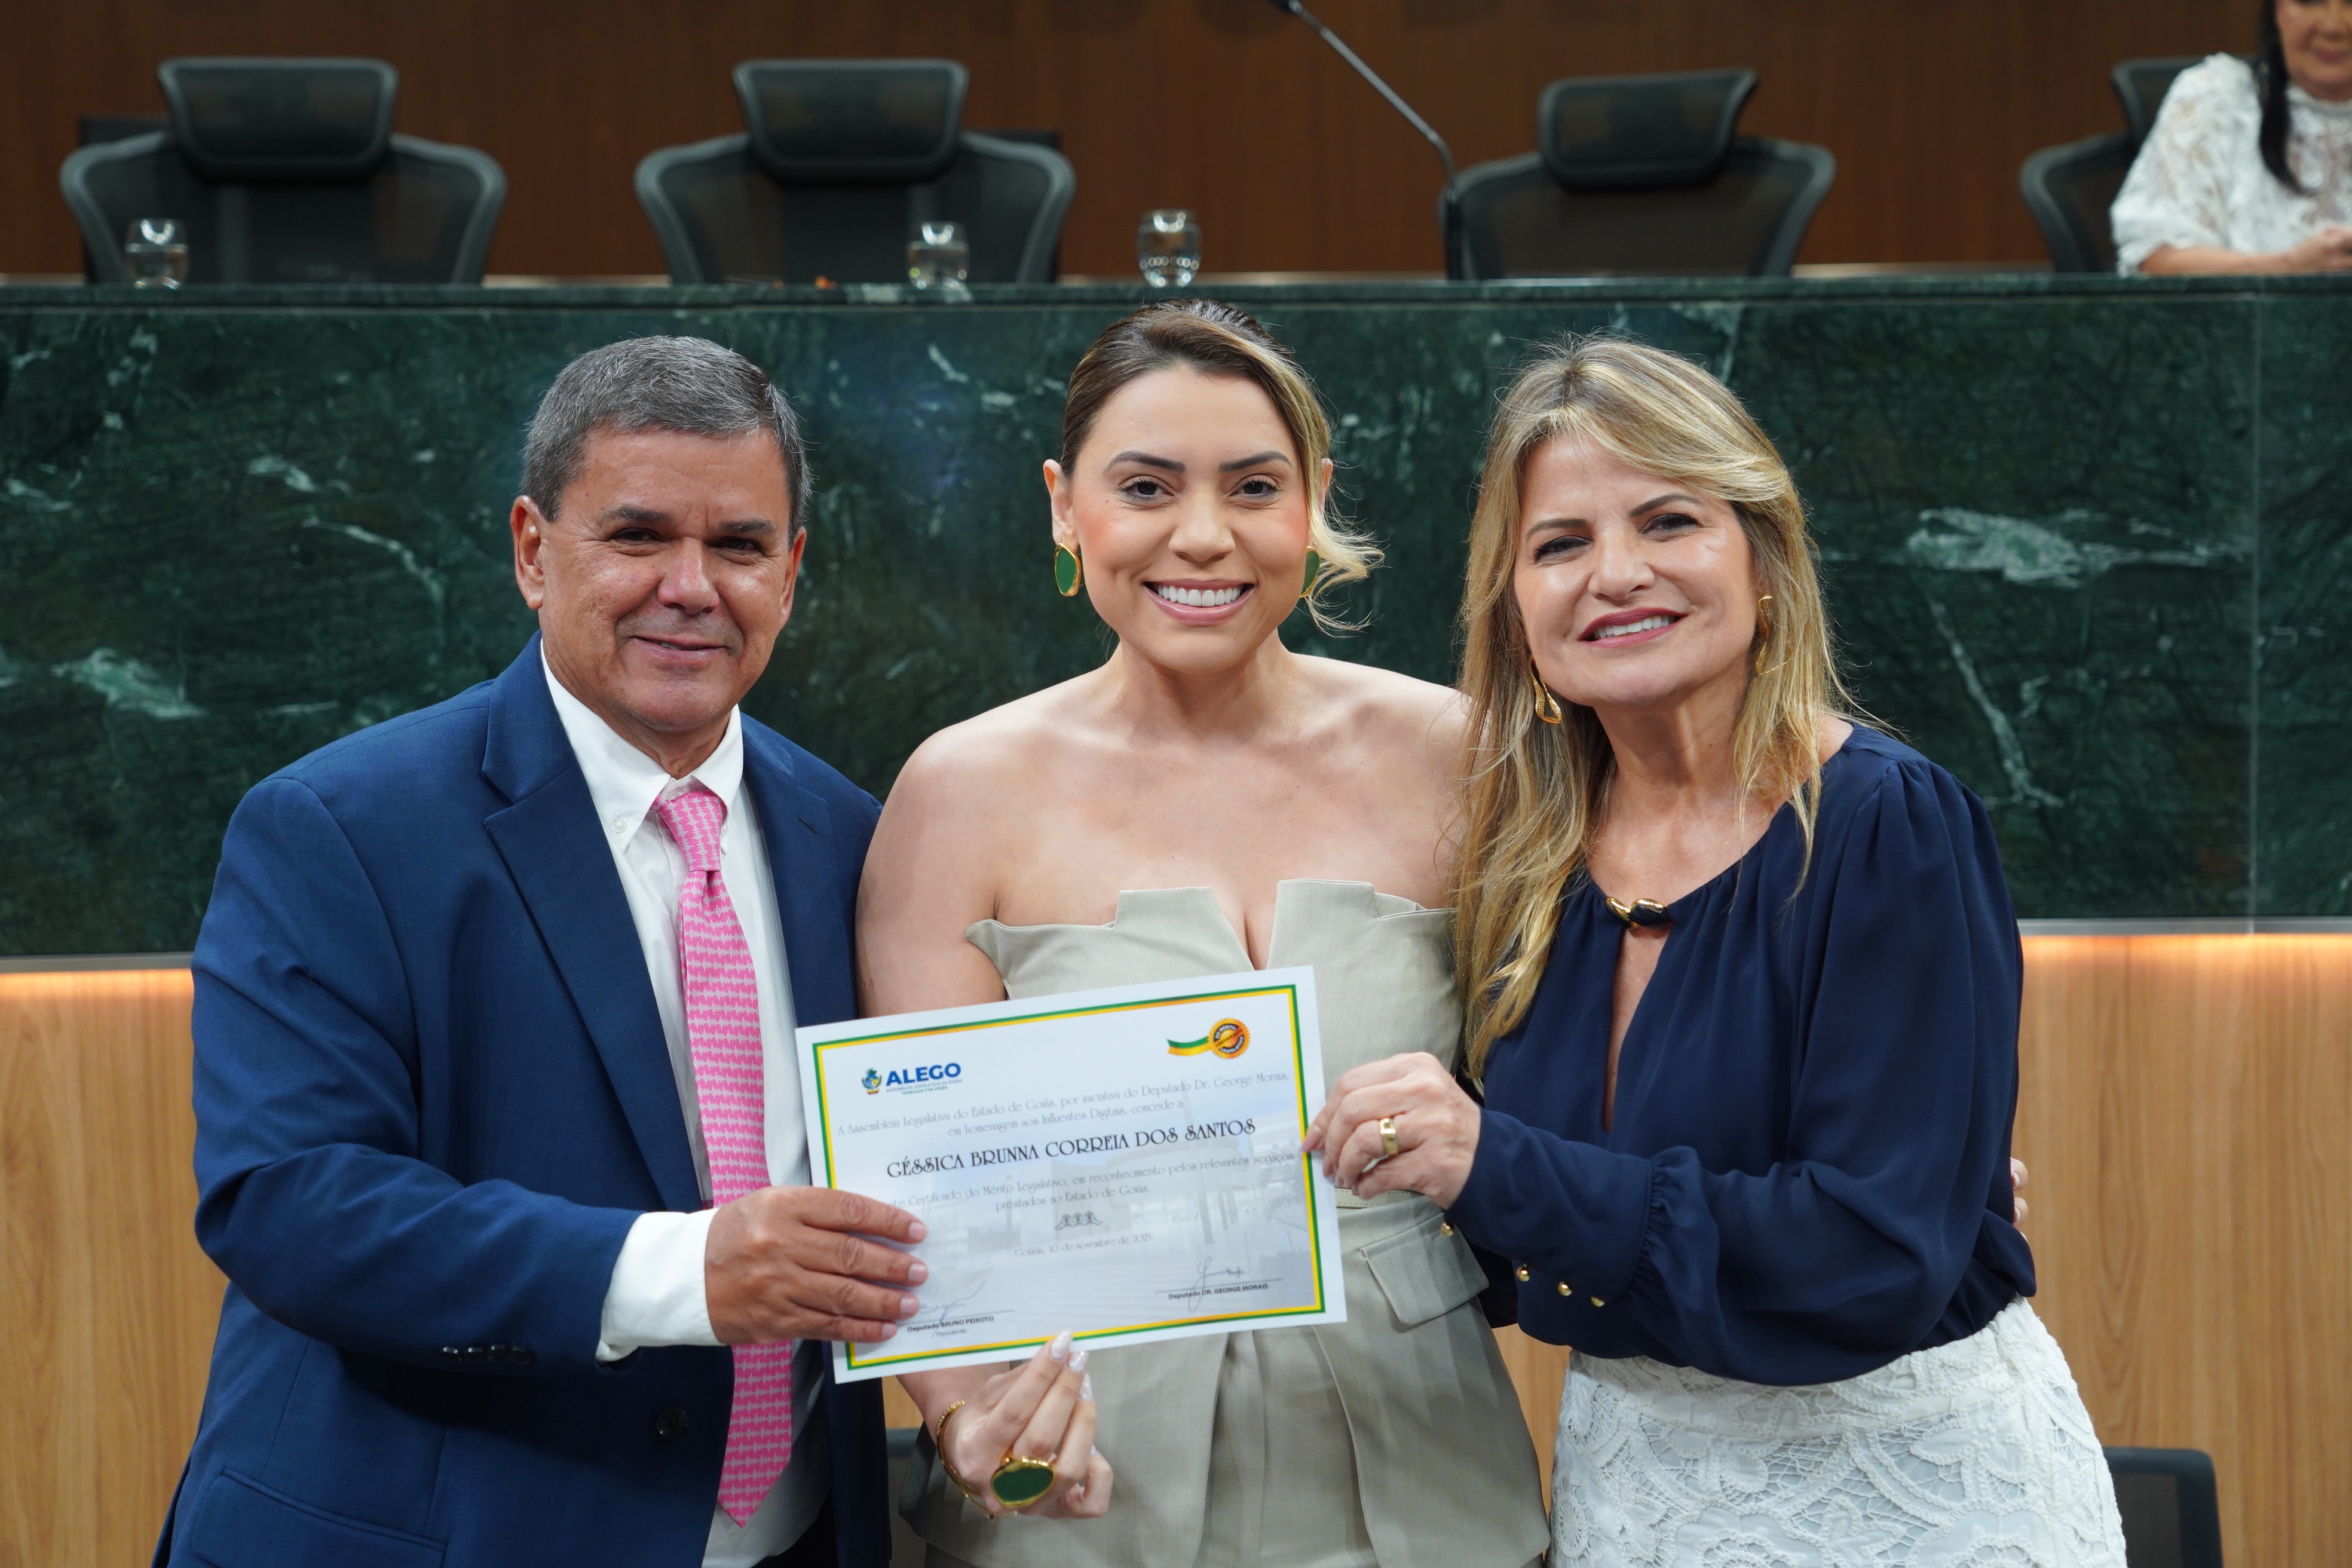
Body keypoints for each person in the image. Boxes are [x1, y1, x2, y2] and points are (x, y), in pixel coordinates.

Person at [163, 336, 1094, 1568]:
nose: (690, 587)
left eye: (739, 545)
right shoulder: (338, 827)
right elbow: (290, 1202)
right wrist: (684, 1272)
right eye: (639, 535)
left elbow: (924, 1181)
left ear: (792, 572)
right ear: (532, 550)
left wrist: (980, 1403)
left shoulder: (858, 840)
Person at [1308, 338, 2129, 1566]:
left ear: (1763, 556)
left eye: (1669, 520)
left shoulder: (1885, 822)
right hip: (1632, 1494)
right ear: (1515, 607)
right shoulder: (1523, 858)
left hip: (1905, 1495)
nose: (1615, 573)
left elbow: (1869, 1255)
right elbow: (1508, 1234)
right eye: (1560, 543)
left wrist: (1497, 1163)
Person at [859, 299, 1549, 1568]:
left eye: (1253, 486)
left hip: (1427, 1464)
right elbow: (921, 1192)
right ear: (1065, 508)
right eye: (1146, 486)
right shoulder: (959, 790)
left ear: (1316, 499)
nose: (1202, 534)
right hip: (1084, 1477)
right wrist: (969, 1422)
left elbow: (1580, 1086)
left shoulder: (1459, 754)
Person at [2113, 0, 2352, 273]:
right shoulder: (2214, 98)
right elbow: (2156, 260)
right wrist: (2290, 267)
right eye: (2310, 0)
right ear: (2277, 10)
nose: (2334, 26)